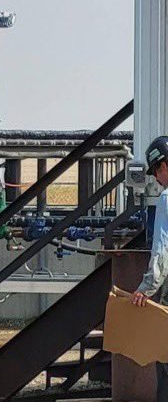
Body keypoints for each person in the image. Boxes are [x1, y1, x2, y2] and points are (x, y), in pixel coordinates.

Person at [131, 137, 168, 398]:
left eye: (156, 170)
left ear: (165, 165)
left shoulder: (167, 199)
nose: (156, 178)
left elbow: (162, 249)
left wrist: (147, 286)